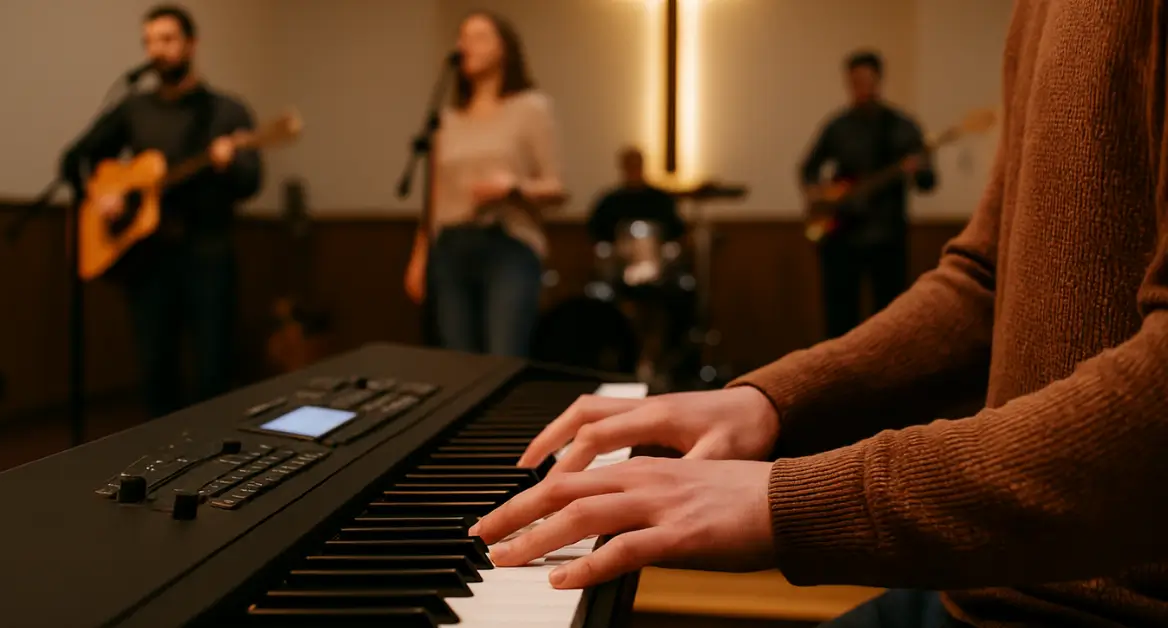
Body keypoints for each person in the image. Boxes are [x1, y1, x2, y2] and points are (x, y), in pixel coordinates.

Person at [469, 1, 1168, 626]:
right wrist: (765, 402)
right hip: (995, 580)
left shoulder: (898, 126)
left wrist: (791, 499)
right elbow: (984, 283)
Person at [60, 4, 262, 419]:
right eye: (149, 41)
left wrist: (228, 164)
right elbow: (75, 159)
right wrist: (101, 196)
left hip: (208, 252)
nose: (157, 50)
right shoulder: (134, 108)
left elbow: (251, 182)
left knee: (213, 371)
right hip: (148, 260)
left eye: (167, 40)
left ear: (191, 44)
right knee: (156, 373)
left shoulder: (226, 111)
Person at [403, 11, 565, 358]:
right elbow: (435, 198)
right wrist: (420, 257)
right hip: (450, 248)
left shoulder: (531, 108)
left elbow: (556, 188)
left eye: (478, 37)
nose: (465, 46)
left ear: (504, 48)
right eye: (462, 37)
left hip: (507, 244)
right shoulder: (446, 121)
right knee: (458, 363)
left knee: (503, 357)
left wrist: (512, 188)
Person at [800, 50, 937, 340]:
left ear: (878, 80)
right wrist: (821, 196)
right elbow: (808, 168)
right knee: (839, 318)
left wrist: (916, 171)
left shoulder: (902, 127)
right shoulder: (837, 126)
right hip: (841, 236)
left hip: (887, 236)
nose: (860, 86)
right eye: (854, 81)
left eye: (865, 80)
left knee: (888, 318)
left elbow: (928, 182)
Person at [587, 147, 688, 386]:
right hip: (617, 279)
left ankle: (658, 362)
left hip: (659, 279)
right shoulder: (610, 202)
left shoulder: (660, 200)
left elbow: (678, 237)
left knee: (673, 304)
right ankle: (623, 362)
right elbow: (596, 239)